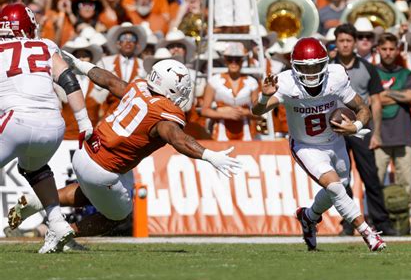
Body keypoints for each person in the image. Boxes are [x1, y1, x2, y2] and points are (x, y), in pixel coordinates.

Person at [8, 57, 242, 250]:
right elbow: (177, 138)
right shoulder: (165, 114)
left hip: (84, 152)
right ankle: (64, 234)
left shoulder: (139, 87)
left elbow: (109, 81)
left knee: (91, 194)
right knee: (118, 216)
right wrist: (210, 155)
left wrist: (78, 64)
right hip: (104, 169)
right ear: (169, 87)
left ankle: (37, 201)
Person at [251, 37, 386, 252]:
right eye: (306, 67)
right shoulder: (285, 82)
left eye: (316, 66)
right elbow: (256, 112)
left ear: (325, 63)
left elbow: (363, 108)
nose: (312, 72)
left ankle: (309, 216)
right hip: (306, 146)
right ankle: (368, 233)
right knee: (334, 187)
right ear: (295, 67)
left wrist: (356, 126)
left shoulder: (336, 77)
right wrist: (263, 98)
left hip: (335, 142)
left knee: (338, 189)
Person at [0, 3, 94, 253]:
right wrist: (84, 121)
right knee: (35, 167)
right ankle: (57, 223)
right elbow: (68, 79)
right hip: (54, 126)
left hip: (16, 120)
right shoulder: (45, 45)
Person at [331, 23, 396, 236]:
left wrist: (376, 133)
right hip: (335, 130)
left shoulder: (367, 68)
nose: (345, 44)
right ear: (336, 43)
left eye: (349, 40)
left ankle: (382, 223)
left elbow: (376, 102)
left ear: (355, 43)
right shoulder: (328, 67)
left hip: (360, 129)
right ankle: (349, 223)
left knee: (371, 176)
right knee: (342, 178)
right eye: (341, 41)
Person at [375, 33, 411, 231]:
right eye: (384, 49)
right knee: (375, 183)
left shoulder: (406, 74)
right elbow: (367, 99)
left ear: (397, 50)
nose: (388, 53)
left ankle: (405, 223)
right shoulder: (372, 72)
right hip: (378, 137)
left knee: (405, 184)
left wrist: (384, 95)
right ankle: (378, 223)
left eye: (392, 49)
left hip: (403, 135)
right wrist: (396, 97)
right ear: (378, 50)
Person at [98, 22, 147, 119]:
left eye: (132, 39)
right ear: (118, 43)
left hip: (135, 115)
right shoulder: (105, 62)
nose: (128, 42)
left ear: (137, 44)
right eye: (124, 38)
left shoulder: (144, 65)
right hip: (109, 113)